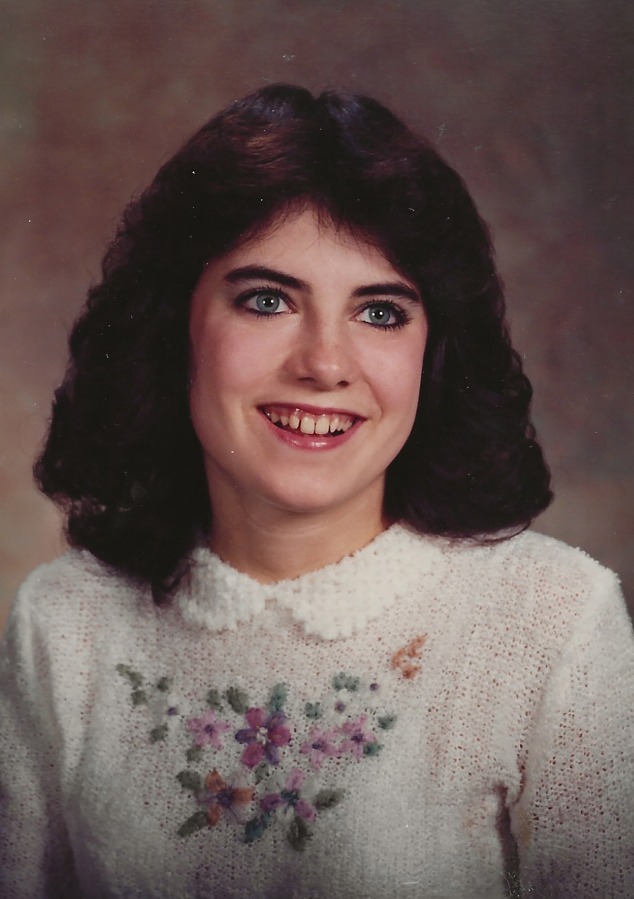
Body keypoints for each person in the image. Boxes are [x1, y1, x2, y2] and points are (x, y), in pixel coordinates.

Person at [0, 84, 632, 899]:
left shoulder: (554, 621)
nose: (325, 363)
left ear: (432, 353)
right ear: (175, 326)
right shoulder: (62, 622)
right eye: (268, 300)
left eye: (380, 312)